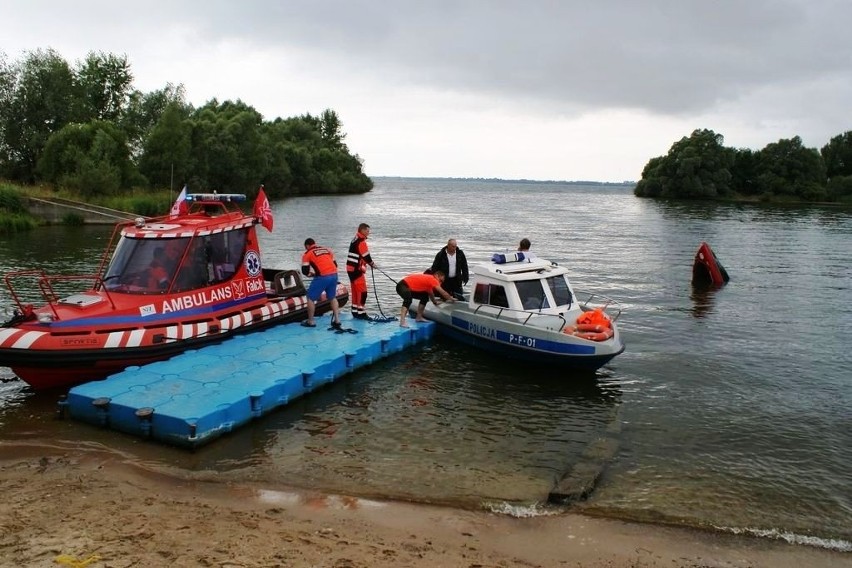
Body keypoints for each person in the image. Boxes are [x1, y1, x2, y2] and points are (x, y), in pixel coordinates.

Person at [300, 238, 342, 329]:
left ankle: (311, 321)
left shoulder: (307, 254)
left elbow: (305, 271)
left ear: (307, 246)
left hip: (323, 277)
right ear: (314, 244)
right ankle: (337, 320)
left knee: (310, 298)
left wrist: (311, 274)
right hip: (334, 275)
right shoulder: (327, 250)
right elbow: (335, 265)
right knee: (332, 297)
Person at [346, 223, 376, 320]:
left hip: (350, 269)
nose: (369, 233)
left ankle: (354, 311)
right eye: (367, 230)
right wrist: (372, 264)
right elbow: (366, 256)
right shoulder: (361, 241)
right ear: (362, 230)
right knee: (363, 292)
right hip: (356, 270)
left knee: (355, 291)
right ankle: (361, 312)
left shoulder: (355, 239)